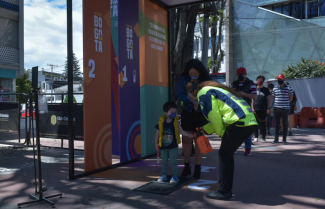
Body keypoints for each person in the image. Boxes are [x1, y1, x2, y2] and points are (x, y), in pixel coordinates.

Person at [187, 80, 258, 200]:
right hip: (249, 121)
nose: (195, 101)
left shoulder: (203, 93)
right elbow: (222, 115)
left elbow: (214, 116)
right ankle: (225, 189)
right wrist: (205, 129)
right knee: (227, 154)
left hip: (239, 123)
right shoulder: (216, 90)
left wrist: (222, 134)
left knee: (224, 154)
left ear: (195, 93)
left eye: (193, 99)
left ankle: (224, 191)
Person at [177, 59, 211, 179]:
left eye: (196, 74)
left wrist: (199, 101)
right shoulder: (183, 79)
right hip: (187, 112)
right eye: (191, 73)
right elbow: (180, 95)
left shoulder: (206, 80)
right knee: (186, 139)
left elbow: (210, 94)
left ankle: (197, 168)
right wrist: (191, 100)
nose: (194, 75)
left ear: (200, 72)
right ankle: (186, 167)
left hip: (200, 113)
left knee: (199, 139)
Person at [154, 102, 194, 183]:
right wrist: (156, 144)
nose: (173, 114)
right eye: (171, 112)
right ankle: (163, 175)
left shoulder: (176, 122)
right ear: (166, 113)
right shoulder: (161, 122)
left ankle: (175, 176)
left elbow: (181, 131)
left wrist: (188, 135)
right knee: (164, 162)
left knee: (173, 161)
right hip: (163, 147)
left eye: (175, 112)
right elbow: (157, 134)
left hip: (173, 146)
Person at [231, 67, 257, 155]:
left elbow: (254, 96)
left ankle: (247, 149)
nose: (240, 77)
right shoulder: (234, 84)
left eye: (242, 75)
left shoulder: (251, 84)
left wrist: (243, 94)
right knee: (234, 129)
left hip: (246, 109)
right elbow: (229, 94)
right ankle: (234, 147)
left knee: (246, 130)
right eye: (238, 76)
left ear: (245, 75)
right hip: (235, 109)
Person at [272, 74, 293, 144]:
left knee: (285, 124)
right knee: (277, 124)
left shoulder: (289, 88)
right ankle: (276, 139)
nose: (279, 81)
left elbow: (291, 98)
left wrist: (285, 103)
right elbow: (274, 97)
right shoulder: (275, 88)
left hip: (285, 108)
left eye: (281, 79)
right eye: (278, 80)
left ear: (284, 80)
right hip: (277, 108)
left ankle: (284, 139)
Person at [251, 75, 270, 143]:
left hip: (263, 109)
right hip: (256, 109)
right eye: (258, 79)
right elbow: (252, 100)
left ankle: (263, 137)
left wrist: (268, 108)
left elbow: (268, 100)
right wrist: (252, 108)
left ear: (263, 81)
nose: (260, 81)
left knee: (263, 124)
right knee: (255, 124)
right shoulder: (254, 89)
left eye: (261, 79)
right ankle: (256, 137)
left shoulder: (266, 90)